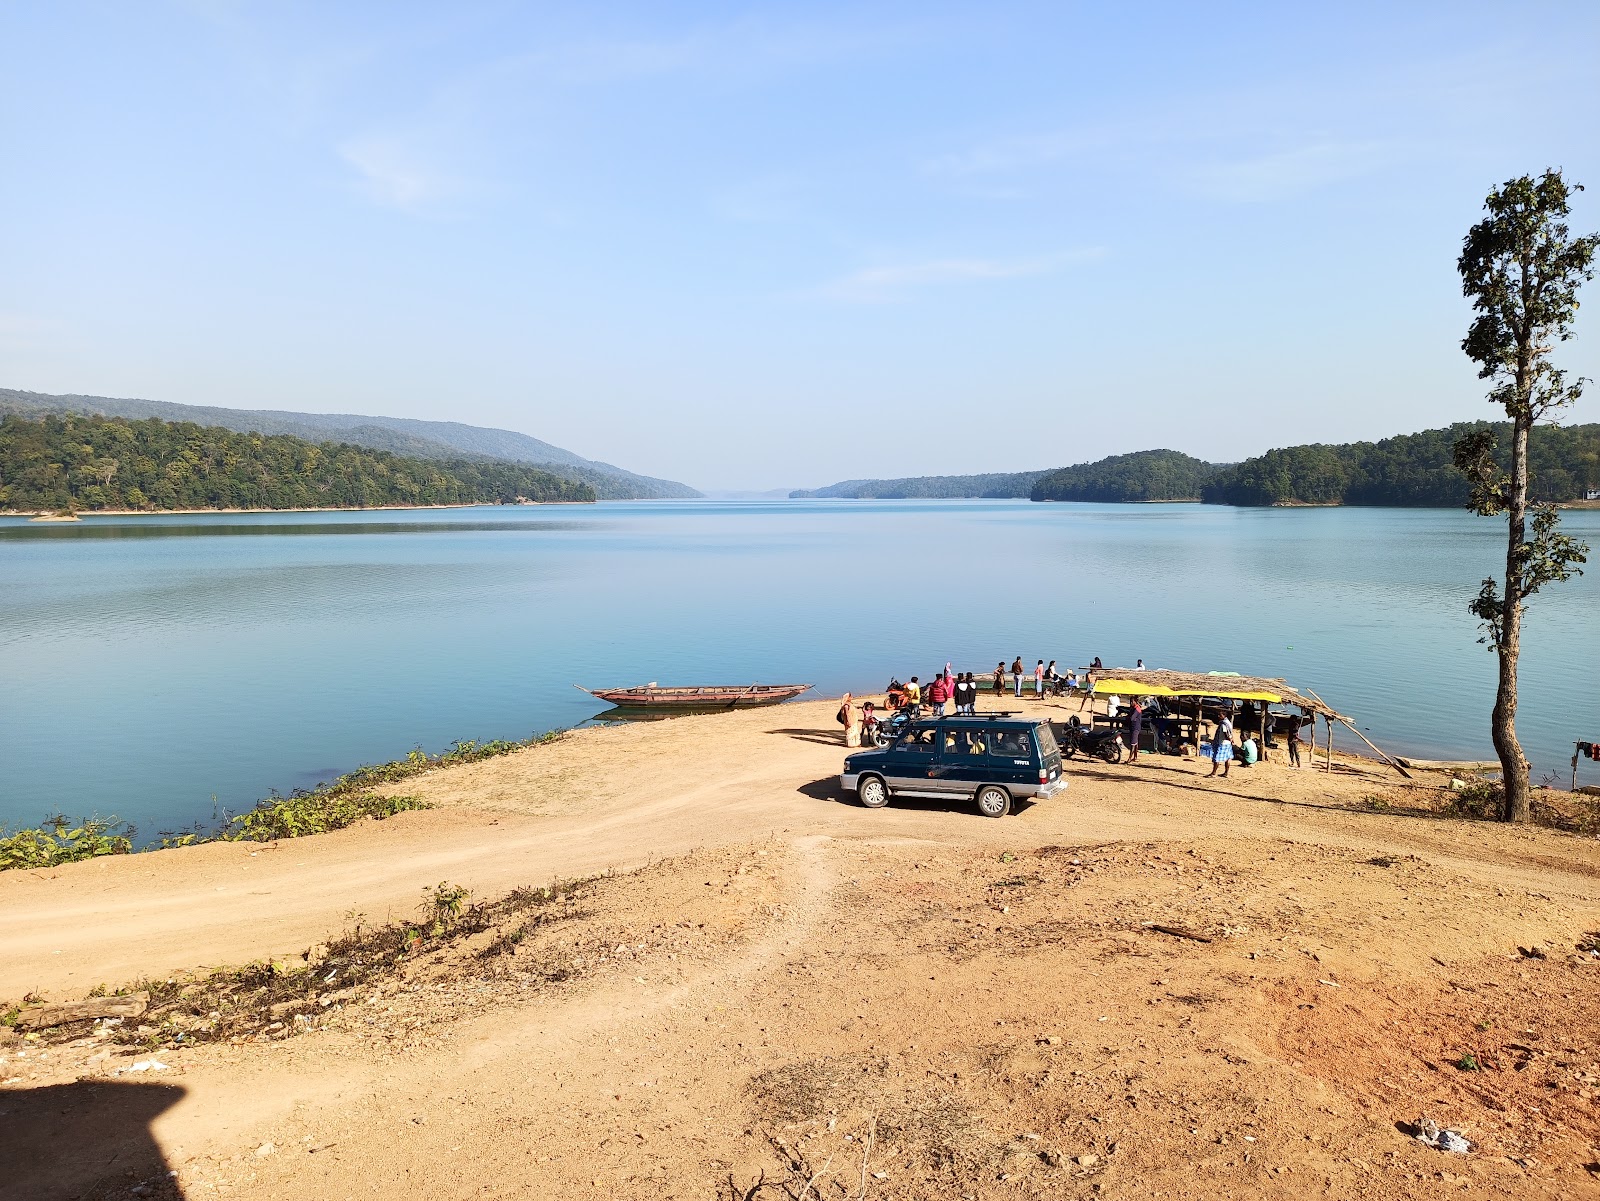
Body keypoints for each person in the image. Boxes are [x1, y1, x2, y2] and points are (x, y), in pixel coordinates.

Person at [1207, 712, 1234, 778]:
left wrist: (1228, 739)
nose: (1218, 716)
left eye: (1220, 715)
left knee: (1217, 758)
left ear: (1224, 716)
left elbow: (1226, 733)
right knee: (1228, 758)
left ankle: (1214, 773)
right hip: (1227, 744)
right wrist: (1231, 739)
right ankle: (1226, 773)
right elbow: (1230, 732)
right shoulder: (1228, 722)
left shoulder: (1223, 724)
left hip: (1222, 743)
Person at [1127, 698, 1144, 764]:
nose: (1131, 703)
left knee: (1133, 743)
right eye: (1130, 701)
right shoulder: (1135, 708)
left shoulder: (1137, 709)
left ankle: (1129, 758)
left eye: (1132, 701)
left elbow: (1132, 718)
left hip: (1135, 727)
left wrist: (1128, 717)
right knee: (1135, 742)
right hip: (1134, 727)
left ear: (1135, 701)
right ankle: (1135, 757)